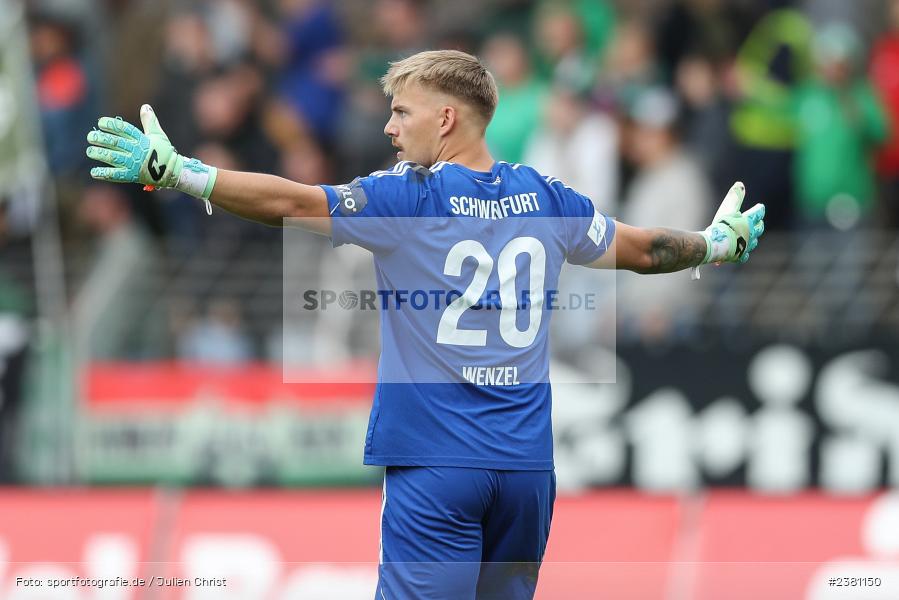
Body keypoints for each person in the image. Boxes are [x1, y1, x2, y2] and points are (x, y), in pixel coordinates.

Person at [85, 49, 765, 600]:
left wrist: (187, 175)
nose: (388, 127)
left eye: (399, 112)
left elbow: (290, 201)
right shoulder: (550, 197)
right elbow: (646, 249)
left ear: (445, 119)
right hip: (525, 468)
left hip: (438, 464)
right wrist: (714, 243)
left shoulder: (406, 196)